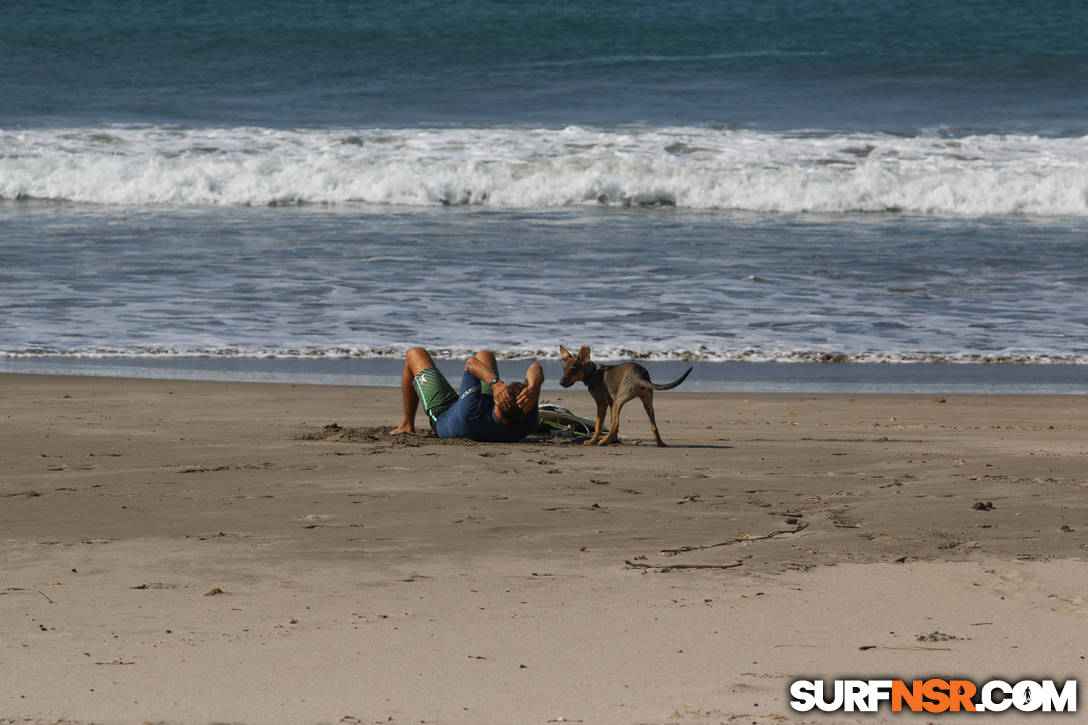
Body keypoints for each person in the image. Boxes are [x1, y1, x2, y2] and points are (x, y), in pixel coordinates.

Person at [390, 347, 543, 442]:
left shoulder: (471, 413)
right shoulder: (526, 421)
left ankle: (407, 424)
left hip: (444, 411)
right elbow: (536, 368)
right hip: (472, 404)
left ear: (498, 400)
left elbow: (471, 364)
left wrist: (496, 384)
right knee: (485, 354)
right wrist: (534, 388)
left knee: (415, 353)